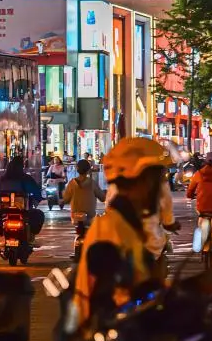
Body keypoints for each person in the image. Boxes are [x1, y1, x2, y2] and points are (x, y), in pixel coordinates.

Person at [74, 138, 173, 327]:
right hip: (111, 339)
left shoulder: (130, 225)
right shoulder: (111, 228)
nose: (162, 190)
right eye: (159, 181)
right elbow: (121, 295)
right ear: (143, 182)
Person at [0, 155, 45, 236]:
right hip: (23, 212)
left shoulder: (1, 180)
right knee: (40, 215)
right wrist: (38, 199)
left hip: (4, 212)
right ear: (21, 166)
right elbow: (36, 193)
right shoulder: (26, 179)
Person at [63, 159, 106, 226]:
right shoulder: (92, 183)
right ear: (88, 170)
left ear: (77, 169)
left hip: (75, 217)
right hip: (90, 217)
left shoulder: (71, 183)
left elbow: (65, 199)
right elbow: (102, 198)